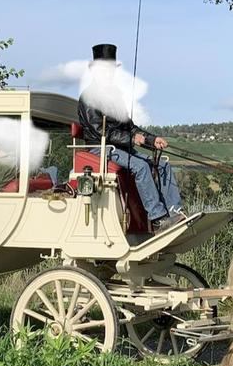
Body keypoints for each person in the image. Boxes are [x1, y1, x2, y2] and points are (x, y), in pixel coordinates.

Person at [76, 42, 186, 231]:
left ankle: (176, 213)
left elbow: (130, 127)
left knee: (163, 165)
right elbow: (100, 131)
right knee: (141, 167)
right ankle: (158, 219)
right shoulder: (88, 97)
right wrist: (131, 139)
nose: (108, 74)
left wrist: (151, 140)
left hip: (120, 148)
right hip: (100, 148)